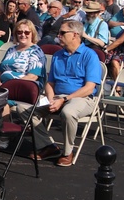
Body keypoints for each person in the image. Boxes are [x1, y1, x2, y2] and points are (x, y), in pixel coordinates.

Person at [15, 20, 102, 167]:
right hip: (57, 97)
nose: (58, 36)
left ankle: (67, 152)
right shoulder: (58, 55)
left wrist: (64, 99)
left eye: (62, 33)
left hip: (81, 98)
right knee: (23, 108)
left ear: (75, 35)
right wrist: (51, 98)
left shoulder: (89, 55)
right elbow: (50, 83)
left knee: (68, 112)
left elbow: (89, 88)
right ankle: (48, 146)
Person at [0, 20, 45, 84]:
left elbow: (32, 77)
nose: (23, 35)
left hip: (23, 85)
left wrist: (10, 84)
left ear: (32, 34)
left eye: (27, 32)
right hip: (3, 86)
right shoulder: (11, 50)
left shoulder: (36, 52)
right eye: (19, 32)